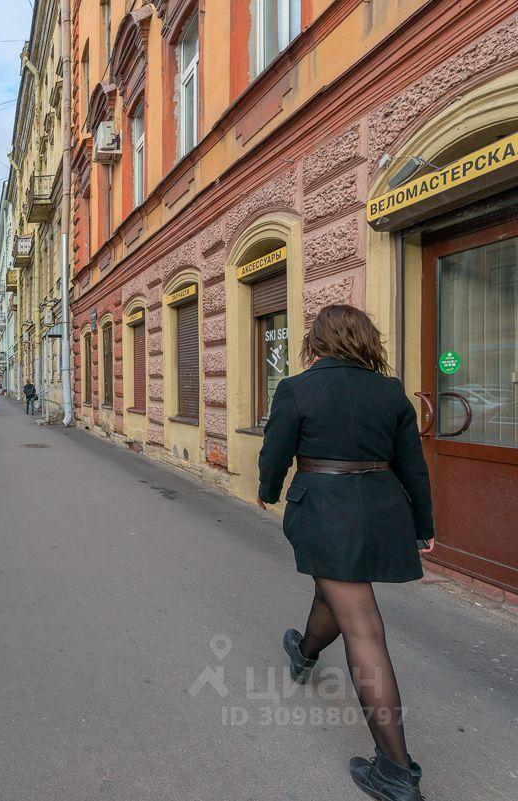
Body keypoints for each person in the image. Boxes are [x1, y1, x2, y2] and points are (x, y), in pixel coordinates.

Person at [257, 305, 434, 801]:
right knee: (332, 592)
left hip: (325, 513)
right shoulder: (390, 391)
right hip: (379, 512)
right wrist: (424, 526)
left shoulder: (296, 388)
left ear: (317, 340)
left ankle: (396, 772)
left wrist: (267, 491)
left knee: (363, 626)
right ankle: (304, 652)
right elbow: (412, 466)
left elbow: (276, 453)